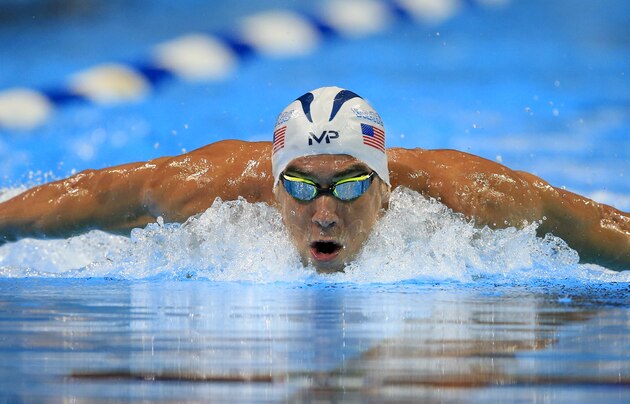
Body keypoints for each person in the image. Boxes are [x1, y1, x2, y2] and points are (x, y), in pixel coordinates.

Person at [0, 86, 628, 271]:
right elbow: (83, 196)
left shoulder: (469, 197)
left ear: (386, 189)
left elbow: (594, 223)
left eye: (351, 184)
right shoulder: (210, 185)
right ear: (271, 188)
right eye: (301, 186)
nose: (324, 212)